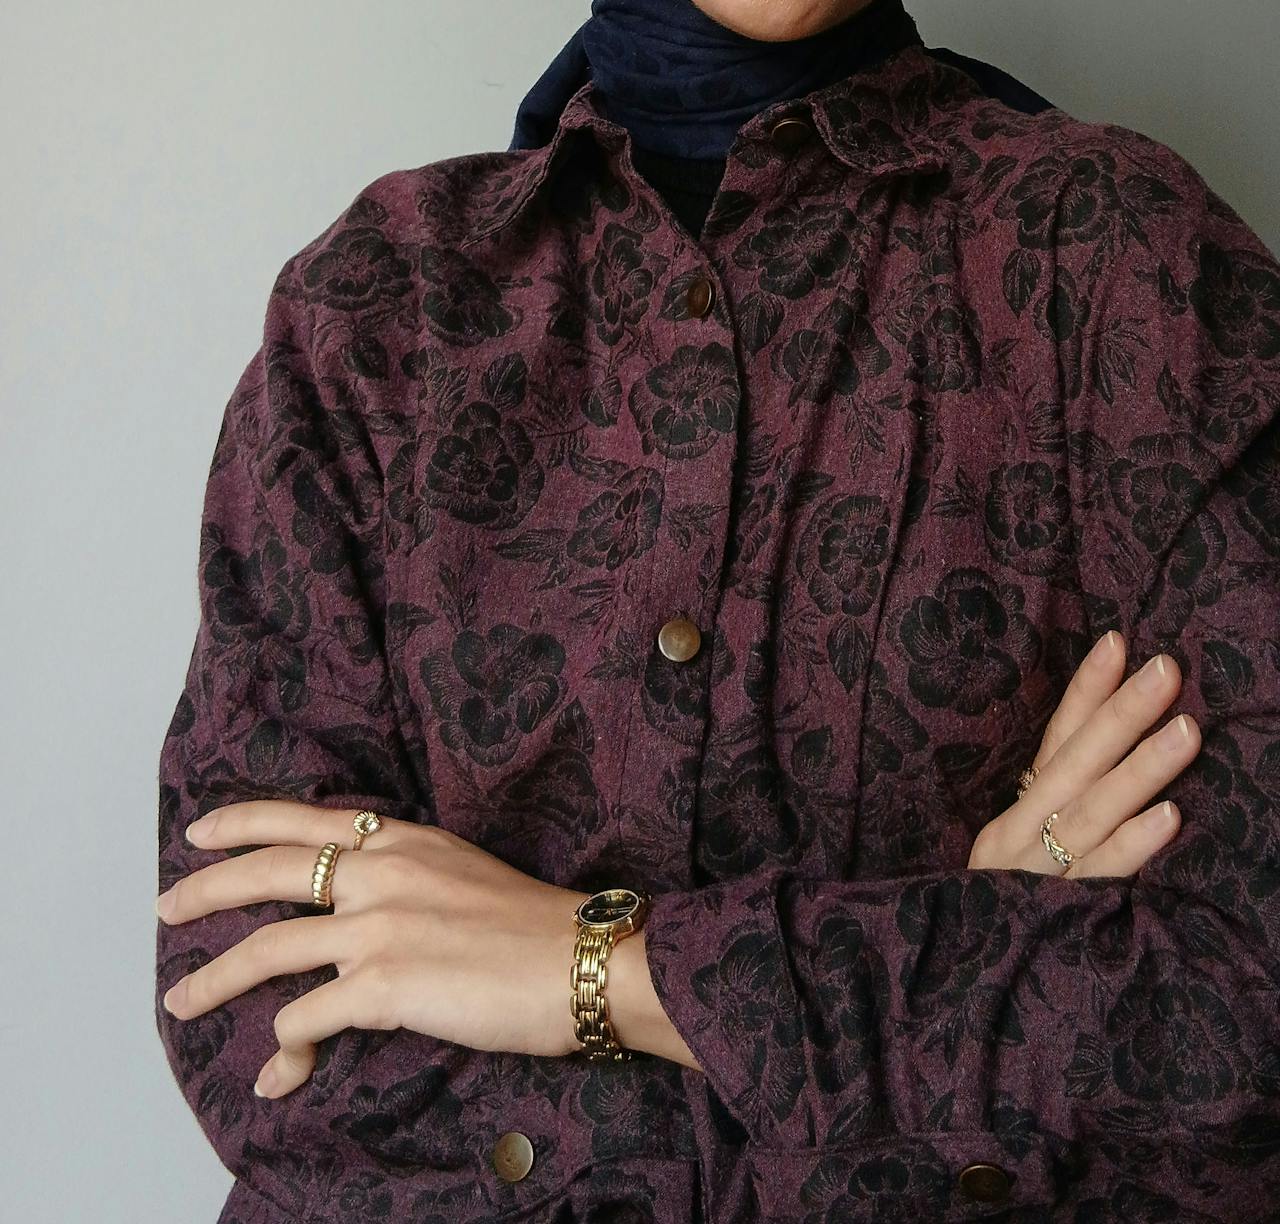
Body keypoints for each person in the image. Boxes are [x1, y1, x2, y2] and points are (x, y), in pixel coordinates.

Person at [154, 0, 1280, 1218]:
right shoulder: (376, 312)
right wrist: (955, 960)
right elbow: (260, 1039)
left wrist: (596, 968)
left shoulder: (1132, 270)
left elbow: (1234, 1039)